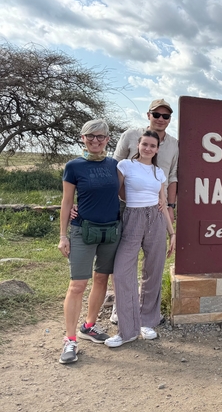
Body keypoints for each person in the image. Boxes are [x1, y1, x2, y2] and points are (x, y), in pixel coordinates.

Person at [108, 98, 178, 324]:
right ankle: (121, 308)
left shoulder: (174, 144)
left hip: (157, 208)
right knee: (122, 262)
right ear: (148, 115)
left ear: (169, 119)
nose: (160, 119)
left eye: (165, 116)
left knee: (153, 265)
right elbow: (114, 168)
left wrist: (170, 207)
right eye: (156, 114)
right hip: (126, 207)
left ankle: (148, 315)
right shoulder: (130, 135)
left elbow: (172, 177)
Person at [57, 120, 121, 364]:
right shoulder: (74, 166)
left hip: (110, 231)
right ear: (82, 138)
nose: (96, 141)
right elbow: (66, 202)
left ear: (107, 139)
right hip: (82, 231)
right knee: (77, 285)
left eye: (101, 136)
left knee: (102, 279)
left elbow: (123, 194)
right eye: (91, 136)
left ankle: (89, 326)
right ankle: (70, 340)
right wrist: (63, 235)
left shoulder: (114, 165)